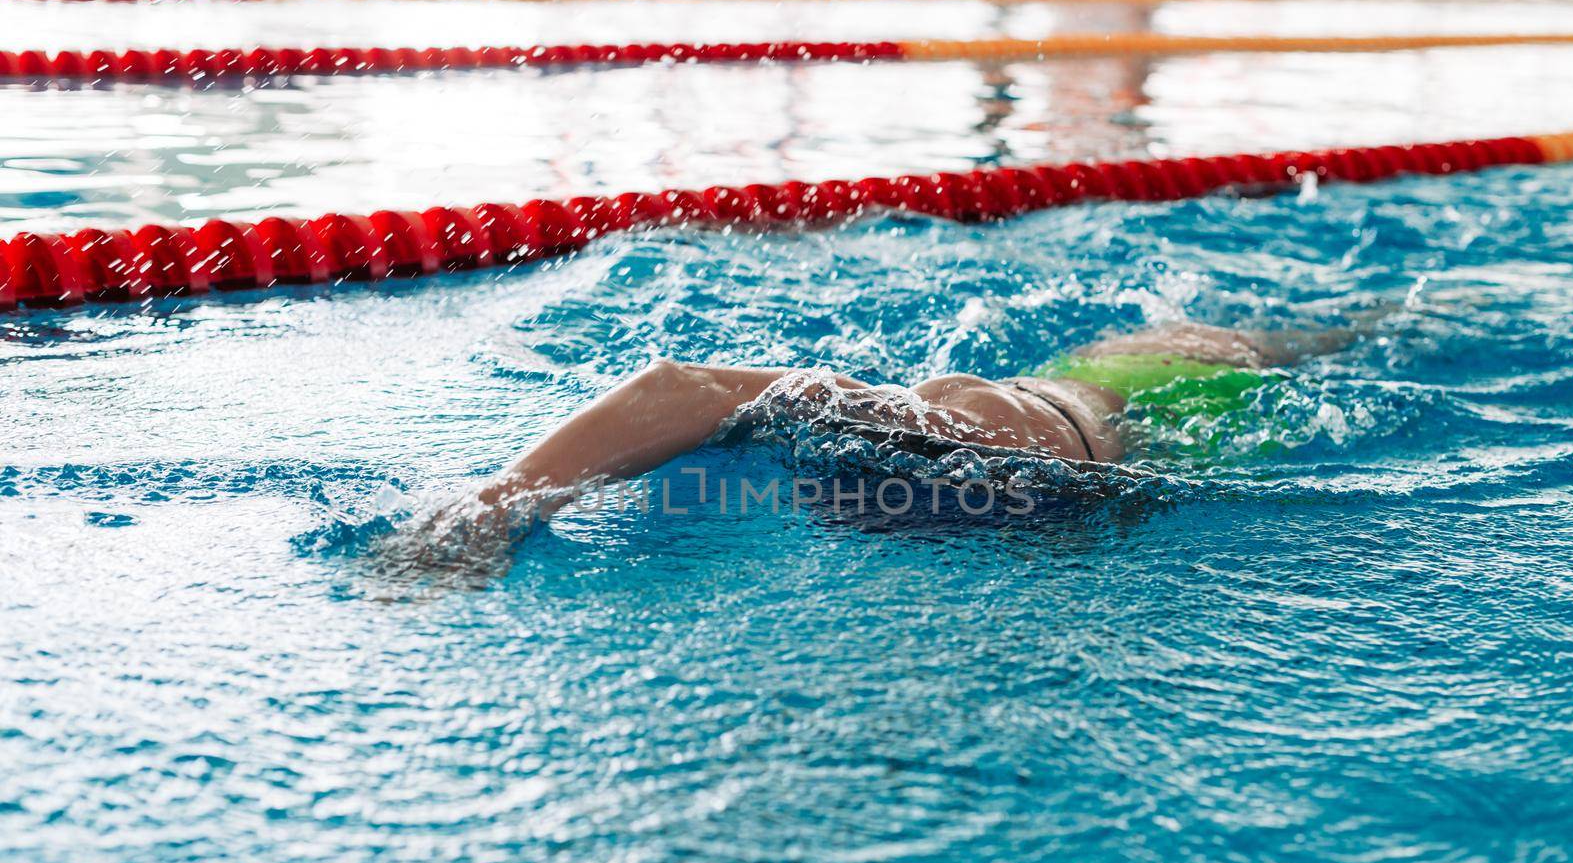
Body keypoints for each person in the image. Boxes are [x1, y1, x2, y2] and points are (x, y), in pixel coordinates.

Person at [410, 319, 1359, 560]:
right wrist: (499, 500)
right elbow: (679, 385)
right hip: (1103, 400)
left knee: (1330, 343)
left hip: (1142, 397)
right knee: (1327, 343)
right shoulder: (958, 432)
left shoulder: (989, 445)